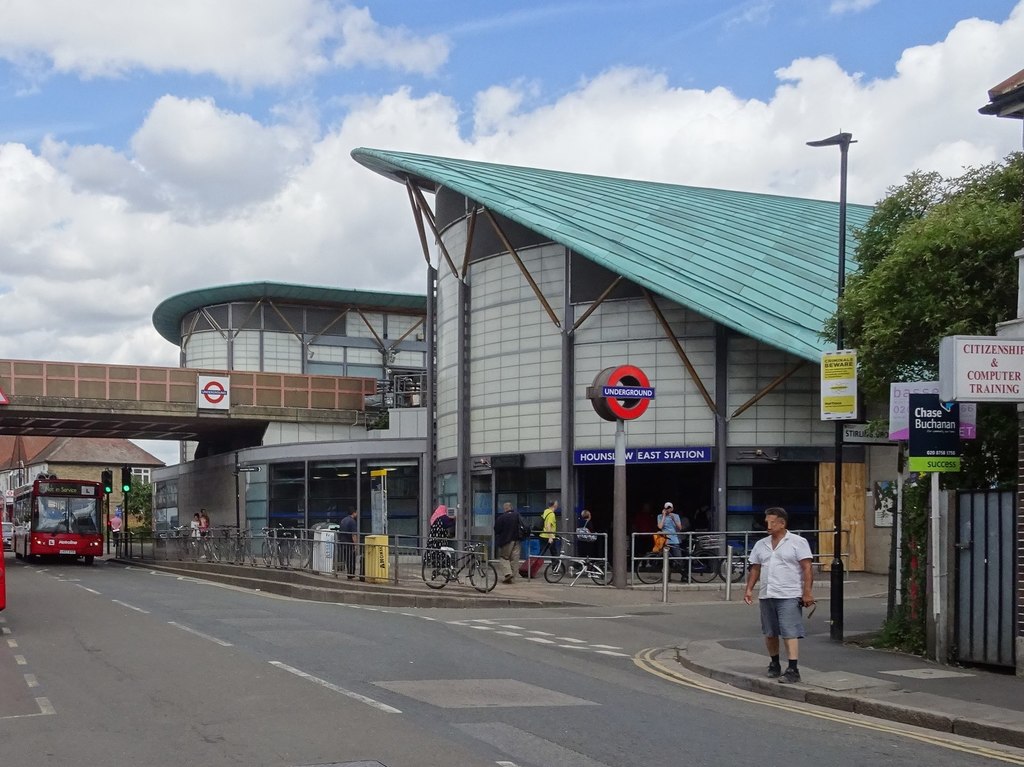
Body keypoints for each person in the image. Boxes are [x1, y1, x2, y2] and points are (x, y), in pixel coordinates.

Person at [743, 506, 815, 685]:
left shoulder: (798, 542)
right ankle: (774, 663)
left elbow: (807, 568)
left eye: (772, 522)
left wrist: (807, 592)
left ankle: (793, 669)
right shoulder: (761, 544)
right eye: (767, 521)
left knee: (789, 632)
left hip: (789, 593)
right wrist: (749, 589)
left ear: (782, 523)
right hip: (767, 593)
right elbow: (755, 568)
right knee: (770, 632)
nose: (768, 525)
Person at [493, 502, 523, 583]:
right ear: (511, 507)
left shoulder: (501, 518)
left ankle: (508, 573)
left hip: (506, 541)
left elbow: (497, 529)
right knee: (515, 559)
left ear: (505, 508)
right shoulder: (517, 515)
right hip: (517, 540)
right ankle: (513, 577)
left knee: (504, 558)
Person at [657, 502, 685, 579]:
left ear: (672, 509)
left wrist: (674, 519)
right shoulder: (659, 516)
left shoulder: (676, 516)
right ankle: (667, 577)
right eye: (667, 508)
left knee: (679, 559)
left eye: (670, 508)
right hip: (665, 541)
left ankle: (684, 575)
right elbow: (660, 526)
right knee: (666, 560)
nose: (668, 510)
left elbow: (680, 528)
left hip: (674, 540)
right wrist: (663, 516)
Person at [338, 507, 359, 579]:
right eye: (356, 512)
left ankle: (349, 574)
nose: (357, 514)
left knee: (347, 559)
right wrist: (356, 545)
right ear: (354, 513)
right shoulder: (352, 521)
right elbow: (354, 535)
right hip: (349, 543)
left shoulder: (343, 520)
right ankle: (351, 574)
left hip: (342, 542)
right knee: (351, 559)